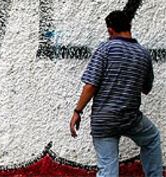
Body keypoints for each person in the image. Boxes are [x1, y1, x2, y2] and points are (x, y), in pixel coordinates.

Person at [69, 10, 163, 177]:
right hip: (130, 118)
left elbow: (91, 85)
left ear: (110, 30)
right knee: (151, 138)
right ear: (129, 26)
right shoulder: (143, 54)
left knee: (108, 170)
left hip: (104, 120)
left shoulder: (106, 49)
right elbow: (146, 89)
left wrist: (78, 111)